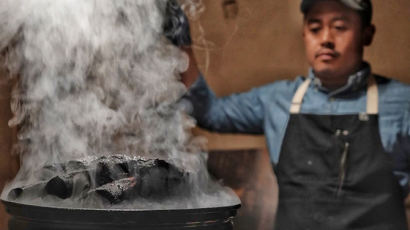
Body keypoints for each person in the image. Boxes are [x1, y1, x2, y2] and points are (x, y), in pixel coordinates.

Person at [165, 0, 410, 229]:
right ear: (304, 34)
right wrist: (181, 39)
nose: (326, 39)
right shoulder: (277, 99)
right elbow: (209, 112)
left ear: (367, 34)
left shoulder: (402, 103)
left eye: (340, 27)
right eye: (315, 28)